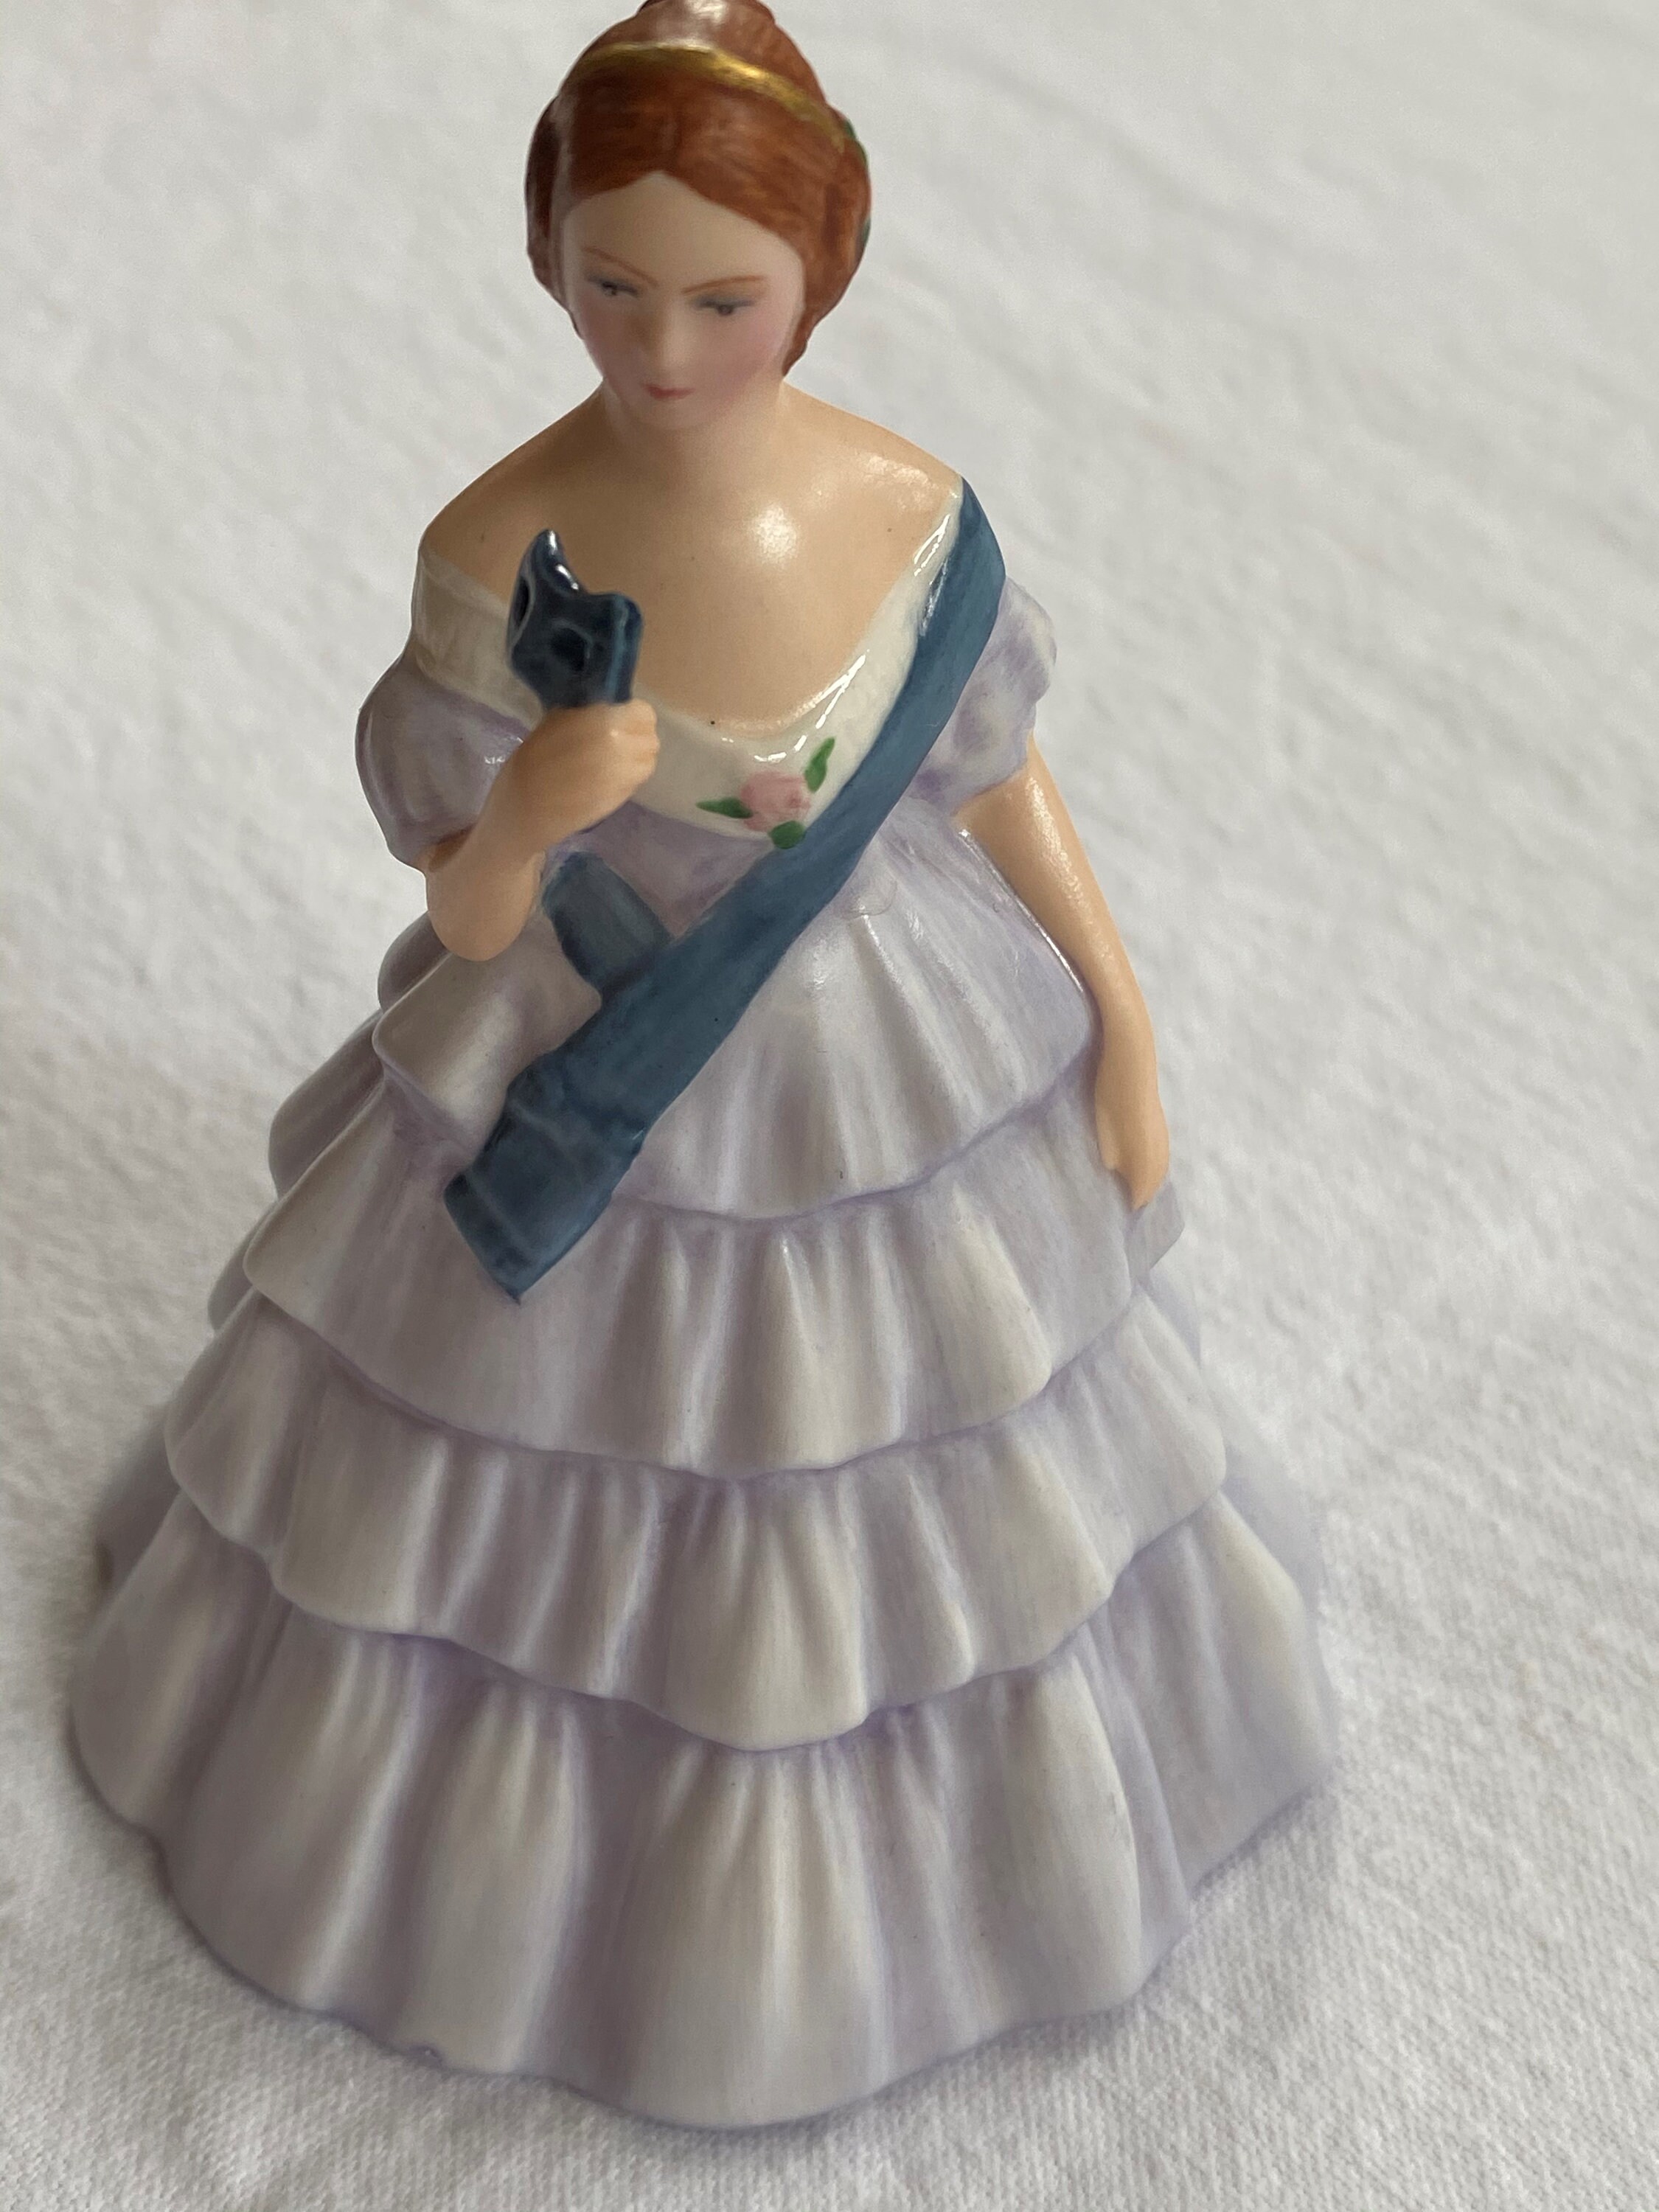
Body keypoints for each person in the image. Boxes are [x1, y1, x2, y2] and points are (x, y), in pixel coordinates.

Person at [72, 0, 1335, 2128]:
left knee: (912, 1443)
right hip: (577, 1047)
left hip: (890, 1065)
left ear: (819, 276)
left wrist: (1119, 1013)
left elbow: (993, 781)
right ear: (549, 261)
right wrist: (535, 808)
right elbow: (471, 914)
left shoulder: (910, 517)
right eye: (612, 288)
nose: (662, 348)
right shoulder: (500, 553)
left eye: (723, 300)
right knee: (493, 1465)